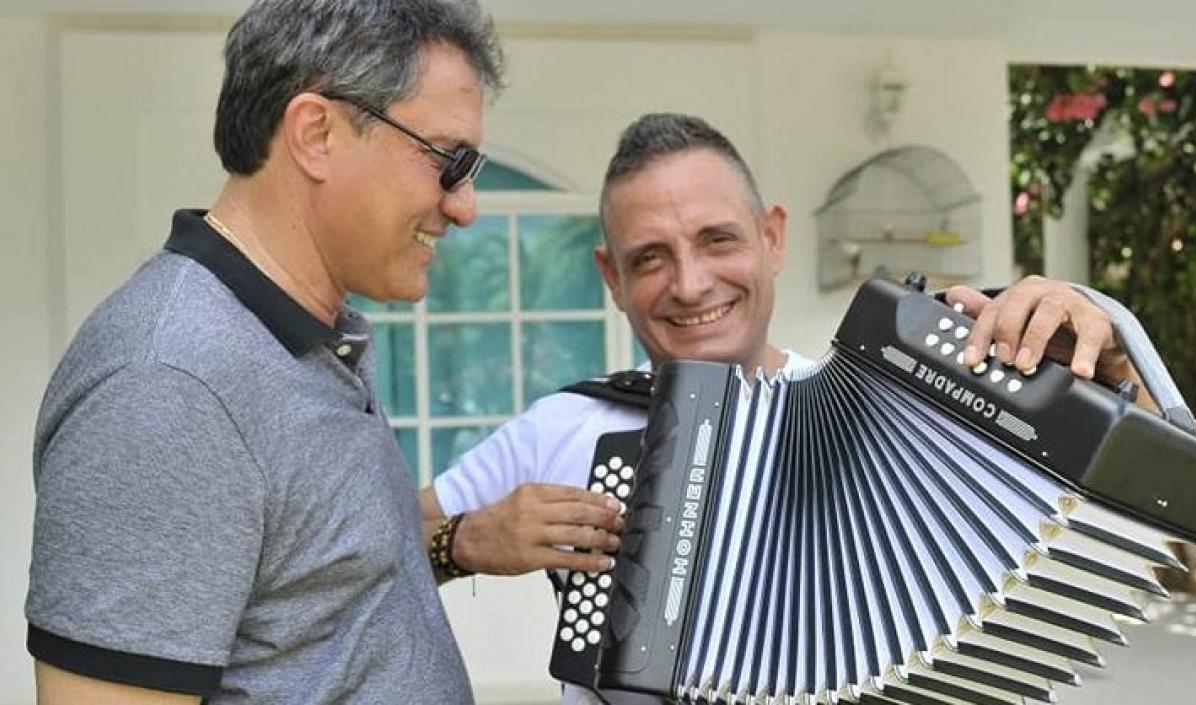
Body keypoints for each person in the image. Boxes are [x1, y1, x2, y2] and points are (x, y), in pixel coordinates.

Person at [418, 113, 1134, 584]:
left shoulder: (896, 422)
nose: (691, 284)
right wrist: (462, 541)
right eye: (650, 258)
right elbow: (370, 551)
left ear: (774, 238)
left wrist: (1105, 373)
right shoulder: (564, 428)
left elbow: (1128, 511)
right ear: (612, 278)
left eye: (718, 240)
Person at [26, 1, 503, 702]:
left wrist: (458, 542)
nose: (465, 205)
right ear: (315, 133)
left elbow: (304, 594)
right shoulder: (168, 386)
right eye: (449, 161)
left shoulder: (311, 336)